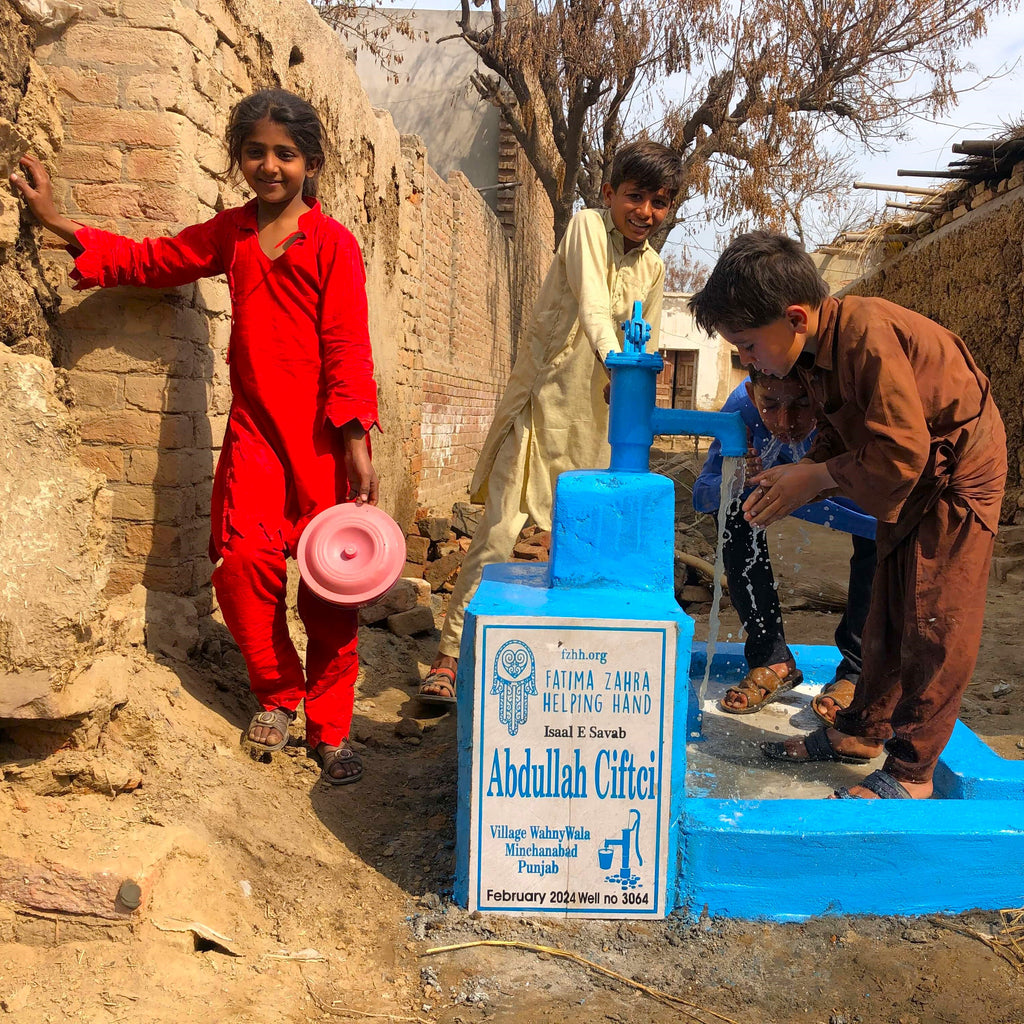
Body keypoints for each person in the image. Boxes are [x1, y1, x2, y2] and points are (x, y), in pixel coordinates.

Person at [10, 89, 380, 786]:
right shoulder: (232, 234)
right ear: (239, 158)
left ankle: (332, 730)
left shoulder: (333, 245)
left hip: (325, 440)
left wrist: (358, 440)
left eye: (285, 154)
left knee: (331, 595)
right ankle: (278, 694)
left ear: (312, 162)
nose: (268, 166)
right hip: (255, 437)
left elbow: (347, 348)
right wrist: (60, 224)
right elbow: (157, 260)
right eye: (255, 152)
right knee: (241, 568)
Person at [689, 231, 1006, 800]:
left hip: (957, 469)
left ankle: (912, 773)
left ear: (794, 317)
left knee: (934, 616)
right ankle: (860, 733)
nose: (745, 359)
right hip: (915, 468)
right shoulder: (815, 351)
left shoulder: (865, 335)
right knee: (886, 608)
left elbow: (902, 450)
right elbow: (840, 432)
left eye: (747, 345)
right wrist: (797, 480)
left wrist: (816, 476)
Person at [418, 141, 684, 706]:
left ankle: (570, 661)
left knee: (580, 535)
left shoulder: (655, 268)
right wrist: (620, 360)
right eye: (634, 197)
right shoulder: (586, 226)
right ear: (609, 194)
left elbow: (651, 340)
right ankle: (450, 657)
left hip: (592, 422)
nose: (645, 212)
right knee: (499, 535)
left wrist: (631, 392)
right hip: (541, 408)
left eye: (658, 203)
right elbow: (592, 306)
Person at [692, 367, 876, 719]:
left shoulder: (849, 410)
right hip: (780, 489)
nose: (786, 421)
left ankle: (857, 669)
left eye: (802, 404)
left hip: (856, 496)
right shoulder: (740, 411)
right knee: (733, 514)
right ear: (751, 392)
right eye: (770, 405)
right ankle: (771, 657)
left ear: (820, 391)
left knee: (881, 542)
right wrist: (734, 479)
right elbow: (704, 495)